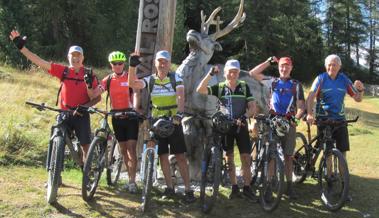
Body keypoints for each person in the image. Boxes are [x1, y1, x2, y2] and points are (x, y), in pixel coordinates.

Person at [9, 30, 100, 166]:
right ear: (68, 57)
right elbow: (40, 62)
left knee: (85, 146)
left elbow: (96, 98)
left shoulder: (89, 74)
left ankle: (86, 172)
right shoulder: (63, 71)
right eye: (72, 55)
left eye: (78, 55)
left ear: (83, 58)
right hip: (64, 112)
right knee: (57, 140)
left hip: (81, 114)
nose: (75, 58)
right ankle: (55, 176)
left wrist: (84, 106)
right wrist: (22, 47)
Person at [128, 50, 196, 203]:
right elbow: (133, 84)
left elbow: (180, 95)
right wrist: (132, 67)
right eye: (160, 61)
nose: (163, 64)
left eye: (165, 61)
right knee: (162, 156)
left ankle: (188, 189)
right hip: (157, 121)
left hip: (173, 121)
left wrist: (179, 113)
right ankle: (170, 188)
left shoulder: (175, 78)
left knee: (180, 156)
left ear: (169, 63)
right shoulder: (150, 79)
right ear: (155, 63)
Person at [306, 54, 364, 202]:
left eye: (334, 65)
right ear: (326, 66)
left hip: (340, 120)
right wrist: (309, 113)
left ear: (339, 66)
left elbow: (358, 98)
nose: (332, 67)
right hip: (324, 120)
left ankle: (344, 189)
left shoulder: (344, 79)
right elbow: (311, 96)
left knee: (343, 154)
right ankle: (330, 182)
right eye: (329, 65)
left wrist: (361, 89)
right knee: (328, 154)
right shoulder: (321, 78)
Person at [197, 59, 257, 200]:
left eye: (235, 71)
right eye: (230, 71)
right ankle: (234, 187)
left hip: (240, 125)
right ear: (225, 73)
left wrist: (245, 116)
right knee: (229, 157)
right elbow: (200, 90)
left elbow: (252, 106)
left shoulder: (244, 86)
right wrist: (210, 74)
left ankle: (247, 188)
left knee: (246, 158)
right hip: (224, 126)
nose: (233, 74)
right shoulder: (220, 87)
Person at [249, 56, 305, 199]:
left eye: (287, 66)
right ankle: (268, 186)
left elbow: (301, 107)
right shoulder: (272, 82)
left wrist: (295, 121)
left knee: (288, 156)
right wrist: (268, 62)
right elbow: (252, 74)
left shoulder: (296, 84)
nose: (284, 68)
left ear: (291, 68)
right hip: (272, 122)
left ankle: (289, 186)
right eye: (281, 66)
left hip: (289, 123)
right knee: (271, 156)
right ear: (278, 67)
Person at [96, 51, 144, 193]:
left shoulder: (130, 77)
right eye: (114, 64)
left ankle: (132, 182)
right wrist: (89, 84)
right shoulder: (108, 80)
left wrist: (135, 107)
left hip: (130, 117)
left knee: (131, 149)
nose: (117, 66)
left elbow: (136, 92)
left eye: (120, 63)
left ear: (124, 64)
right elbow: (96, 93)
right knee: (123, 150)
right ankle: (128, 178)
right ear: (111, 65)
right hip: (116, 118)